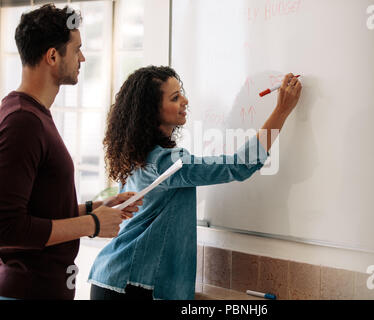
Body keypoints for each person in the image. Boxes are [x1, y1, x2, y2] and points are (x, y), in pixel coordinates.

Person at [88, 66, 302, 300]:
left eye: (181, 93)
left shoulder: (137, 154)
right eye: (175, 97)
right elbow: (239, 165)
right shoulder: (166, 162)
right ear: (152, 111)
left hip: (114, 277)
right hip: (131, 285)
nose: (185, 101)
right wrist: (281, 111)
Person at [0, 4, 142, 300]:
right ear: (52, 56)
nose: (83, 57)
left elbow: (40, 215)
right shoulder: (22, 121)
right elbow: (8, 227)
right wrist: (92, 225)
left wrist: (98, 208)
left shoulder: (33, 115)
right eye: (76, 49)